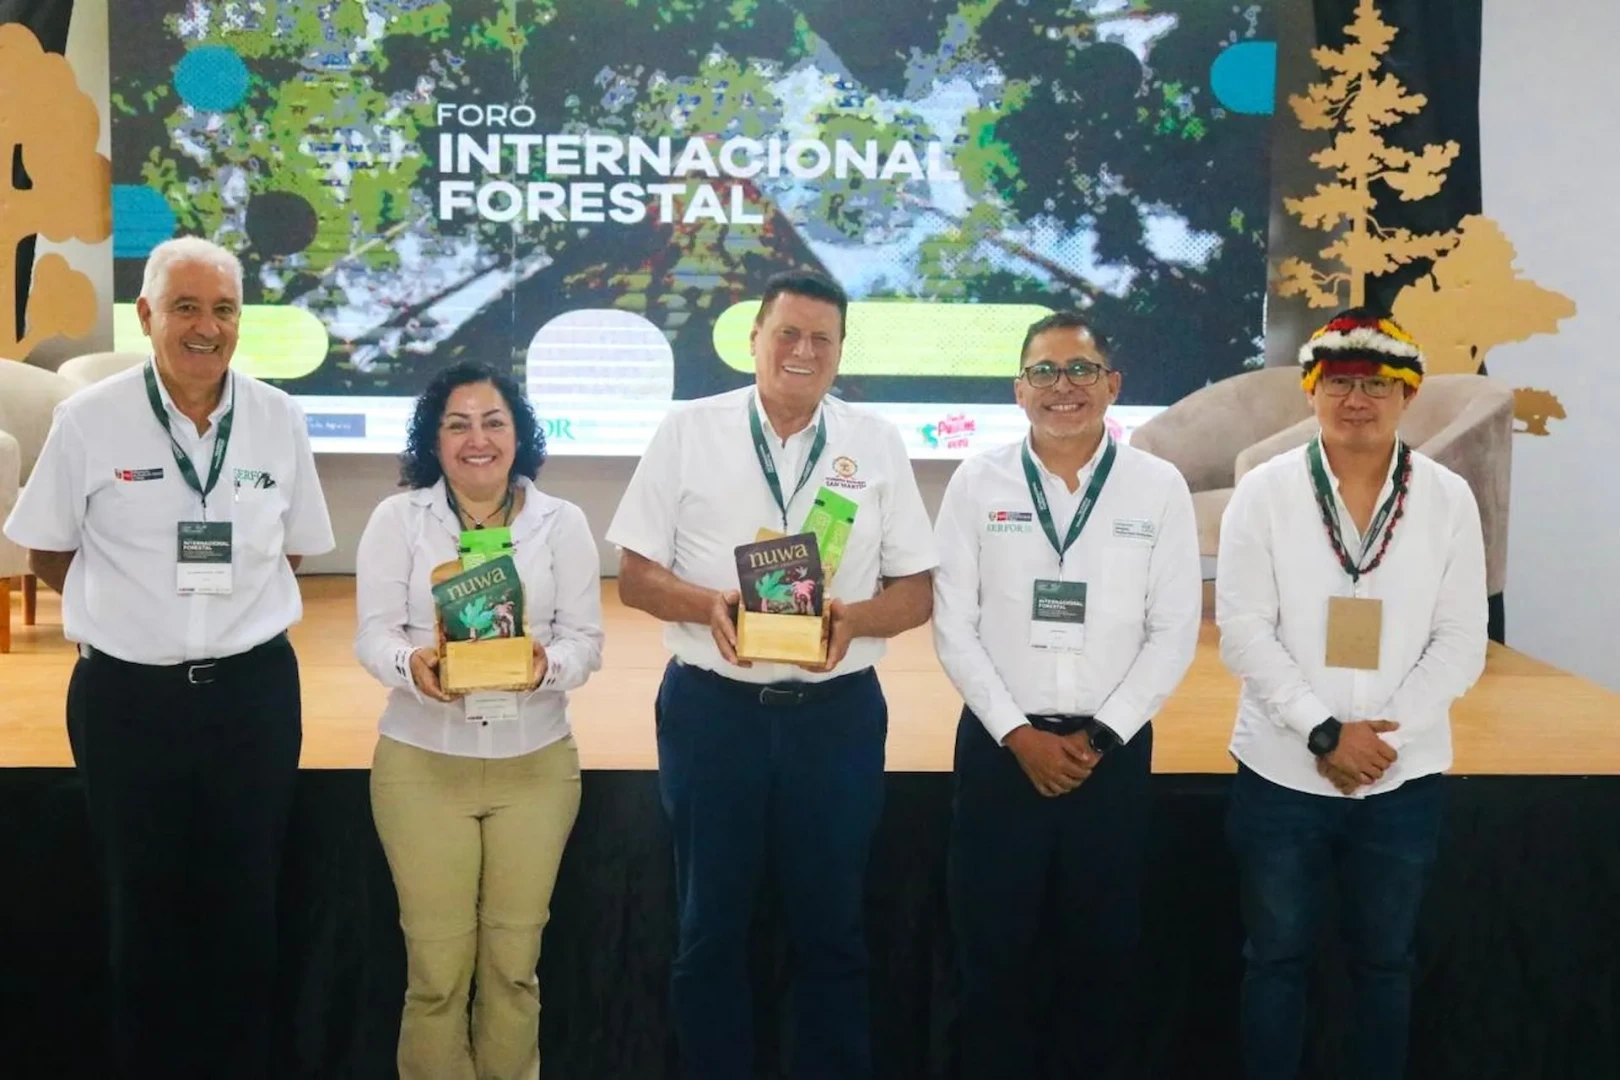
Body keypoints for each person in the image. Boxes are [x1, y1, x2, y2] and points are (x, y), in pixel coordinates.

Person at [1, 235, 334, 1078]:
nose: (206, 328)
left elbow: (288, 548)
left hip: (251, 700)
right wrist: (132, 613)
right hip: (126, 704)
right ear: (146, 315)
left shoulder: (277, 418)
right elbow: (44, 548)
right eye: (186, 307)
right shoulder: (91, 418)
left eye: (224, 310)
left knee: (248, 924)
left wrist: (221, 614)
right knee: (140, 925)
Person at [606, 268, 937, 1079]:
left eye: (821, 338)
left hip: (836, 720)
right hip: (713, 717)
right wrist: (707, 603)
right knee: (710, 927)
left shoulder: (877, 443)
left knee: (833, 930)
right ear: (753, 340)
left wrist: (853, 619)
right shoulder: (688, 430)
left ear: (840, 354)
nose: (803, 350)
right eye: (786, 333)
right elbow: (636, 577)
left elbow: (918, 591)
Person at [1216, 309, 1488, 1080]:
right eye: (1338, 384)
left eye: (1375, 384)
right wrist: (1325, 734)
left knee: (1386, 965)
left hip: (1401, 780)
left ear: (1408, 396)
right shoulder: (1264, 492)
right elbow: (1243, 631)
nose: (1356, 400)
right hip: (1281, 773)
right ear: (1311, 393)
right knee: (1274, 961)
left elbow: (1463, 640)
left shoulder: (1447, 499)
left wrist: (1380, 744)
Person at [931, 311, 1202, 1078]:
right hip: (998, 754)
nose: (1063, 388)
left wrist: (1099, 739)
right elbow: (954, 626)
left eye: (1081, 370)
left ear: (1113, 385)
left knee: (1103, 962)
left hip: (1107, 759)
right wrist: (1019, 736)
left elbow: (1173, 631)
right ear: (1019, 391)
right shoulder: (976, 482)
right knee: (990, 960)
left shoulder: (1158, 488)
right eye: (1044, 372)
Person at [354, 361, 603, 1080]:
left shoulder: (564, 524)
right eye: (456, 424)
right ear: (432, 441)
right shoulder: (398, 520)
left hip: (537, 768)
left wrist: (542, 668)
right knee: (435, 974)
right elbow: (372, 633)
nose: (477, 439)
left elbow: (586, 642)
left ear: (519, 434)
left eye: (494, 422)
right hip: (422, 768)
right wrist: (412, 666)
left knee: (514, 968)